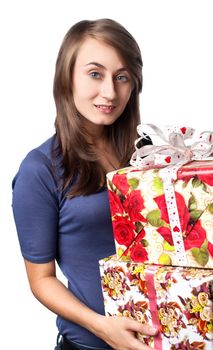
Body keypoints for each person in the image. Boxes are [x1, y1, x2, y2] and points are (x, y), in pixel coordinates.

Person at [12, 18, 158, 350]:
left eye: (121, 78)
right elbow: (41, 280)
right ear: (67, 78)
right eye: (95, 74)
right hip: (90, 344)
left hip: (170, 337)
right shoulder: (40, 170)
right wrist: (103, 328)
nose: (110, 92)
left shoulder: (145, 150)